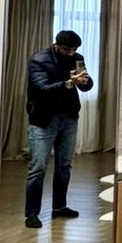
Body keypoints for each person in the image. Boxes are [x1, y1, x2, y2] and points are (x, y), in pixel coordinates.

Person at [24, 29, 94, 228]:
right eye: (66, 49)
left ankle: (59, 207)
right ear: (56, 45)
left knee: (64, 166)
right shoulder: (39, 60)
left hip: (68, 118)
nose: (70, 53)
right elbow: (41, 90)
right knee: (37, 168)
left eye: (74, 50)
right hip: (43, 119)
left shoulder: (77, 58)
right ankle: (32, 214)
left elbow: (86, 86)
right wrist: (68, 83)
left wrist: (85, 81)